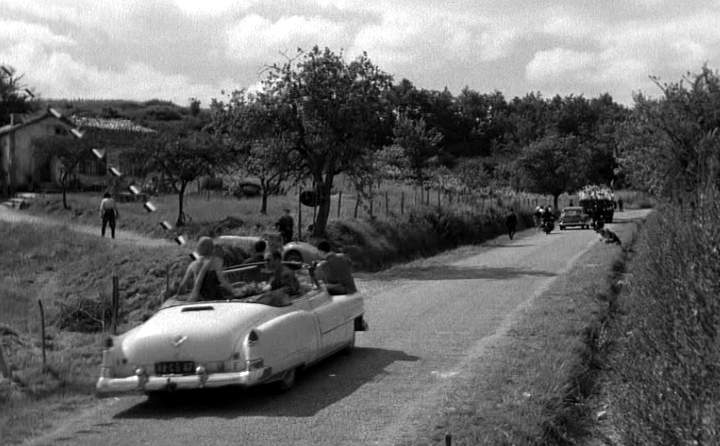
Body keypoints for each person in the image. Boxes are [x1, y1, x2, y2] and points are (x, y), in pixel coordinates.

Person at [175, 237, 235, 301]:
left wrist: (178, 295)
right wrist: (233, 290)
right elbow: (222, 280)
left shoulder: (192, 264)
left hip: (199, 297)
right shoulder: (217, 261)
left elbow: (183, 284)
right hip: (214, 296)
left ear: (199, 248)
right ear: (211, 248)